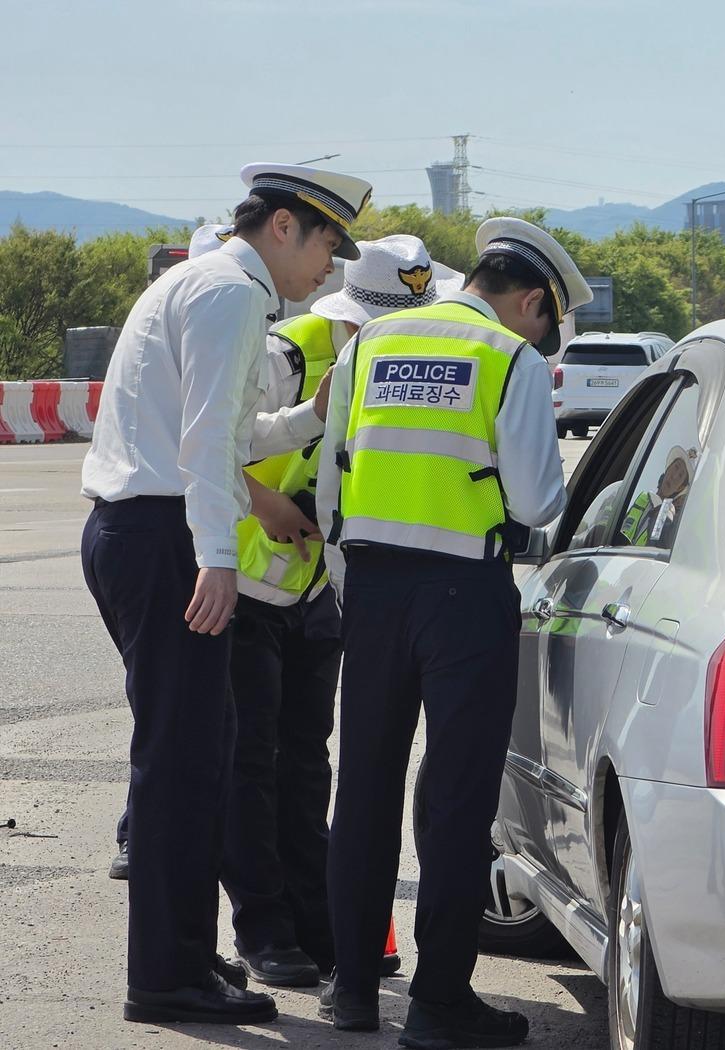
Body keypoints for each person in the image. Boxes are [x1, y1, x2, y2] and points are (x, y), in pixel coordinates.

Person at [81, 162, 370, 1025]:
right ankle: (165, 977)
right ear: (283, 226)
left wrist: (314, 415)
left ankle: (177, 950)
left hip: (145, 531)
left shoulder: (210, 284)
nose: (331, 269)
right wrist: (215, 557)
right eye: (326, 244)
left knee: (197, 754)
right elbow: (206, 445)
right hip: (163, 537)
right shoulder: (233, 295)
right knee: (183, 765)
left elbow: (236, 434)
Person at [316, 217, 592, 1047]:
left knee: (362, 788)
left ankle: (353, 989)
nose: (540, 335)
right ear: (532, 300)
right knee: (456, 797)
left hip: (368, 586)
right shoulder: (508, 359)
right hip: (463, 594)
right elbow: (540, 502)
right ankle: (437, 1000)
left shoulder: (370, 344)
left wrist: (350, 581)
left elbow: (335, 470)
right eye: (546, 320)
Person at [221, 235, 449, 989]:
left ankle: (323, 926)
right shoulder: (288, 354)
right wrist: (268, 504)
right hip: (248, 589)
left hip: (320, 591)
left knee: (308, 764)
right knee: (252, 767)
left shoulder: (410, 365)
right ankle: (265, 930)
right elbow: (206, 444)